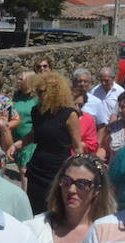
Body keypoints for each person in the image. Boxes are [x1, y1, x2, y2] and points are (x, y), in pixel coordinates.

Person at [23, 73, 84, 213]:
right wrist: (17, 145)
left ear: (54, 92)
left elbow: (77, 146)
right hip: (37, 168)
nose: (38, 95)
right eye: (37, 91)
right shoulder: (36, 112)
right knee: (35, 209)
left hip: (58, 169)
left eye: (42, 91)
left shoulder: (69, 114)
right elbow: (33, 134)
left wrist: (78, 170)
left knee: (56, 209)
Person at [10, 70, 38, 164]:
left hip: (29, 141)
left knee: (24, 170)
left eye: (21, 79)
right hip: (16, 139)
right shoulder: (17, 96)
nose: (18, 81)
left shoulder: (36, 98)